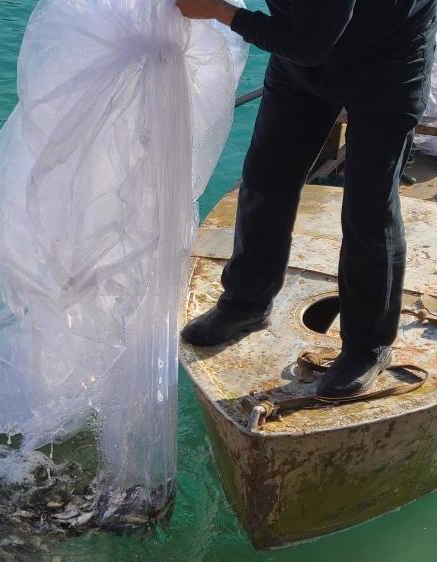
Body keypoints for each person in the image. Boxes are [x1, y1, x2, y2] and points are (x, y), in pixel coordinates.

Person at [175, 0, 437, 398]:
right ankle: (246, 301)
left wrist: (219, 11)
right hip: (301, 58)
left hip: (388, 60)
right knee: (265, 178)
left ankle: (367, 346)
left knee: (369, 207)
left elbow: (310, 43)